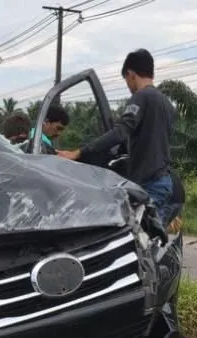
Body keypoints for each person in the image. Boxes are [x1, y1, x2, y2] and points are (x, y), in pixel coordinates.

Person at [57, 49, 177, 224]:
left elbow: (120, 132)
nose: (128, 86)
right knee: (150, 240)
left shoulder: (141, 97)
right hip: (164, 182)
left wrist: (80, 152)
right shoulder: (166, 104)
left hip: (149, 184)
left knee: (135, 242)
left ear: (131, 74)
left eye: (126, 80)